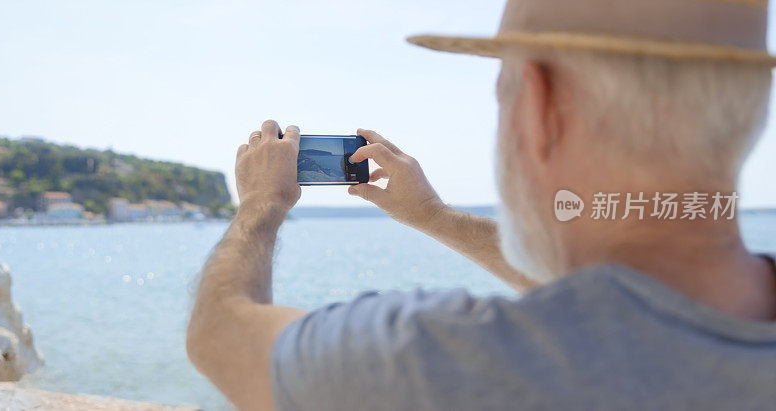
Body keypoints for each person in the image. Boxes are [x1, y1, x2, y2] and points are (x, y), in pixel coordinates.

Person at [186, 0, 776, 409]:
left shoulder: (442, 361)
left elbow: (221, 337)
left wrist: (260, 206)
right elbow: (631, 298)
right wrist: (433, 218)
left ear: (541, 106)